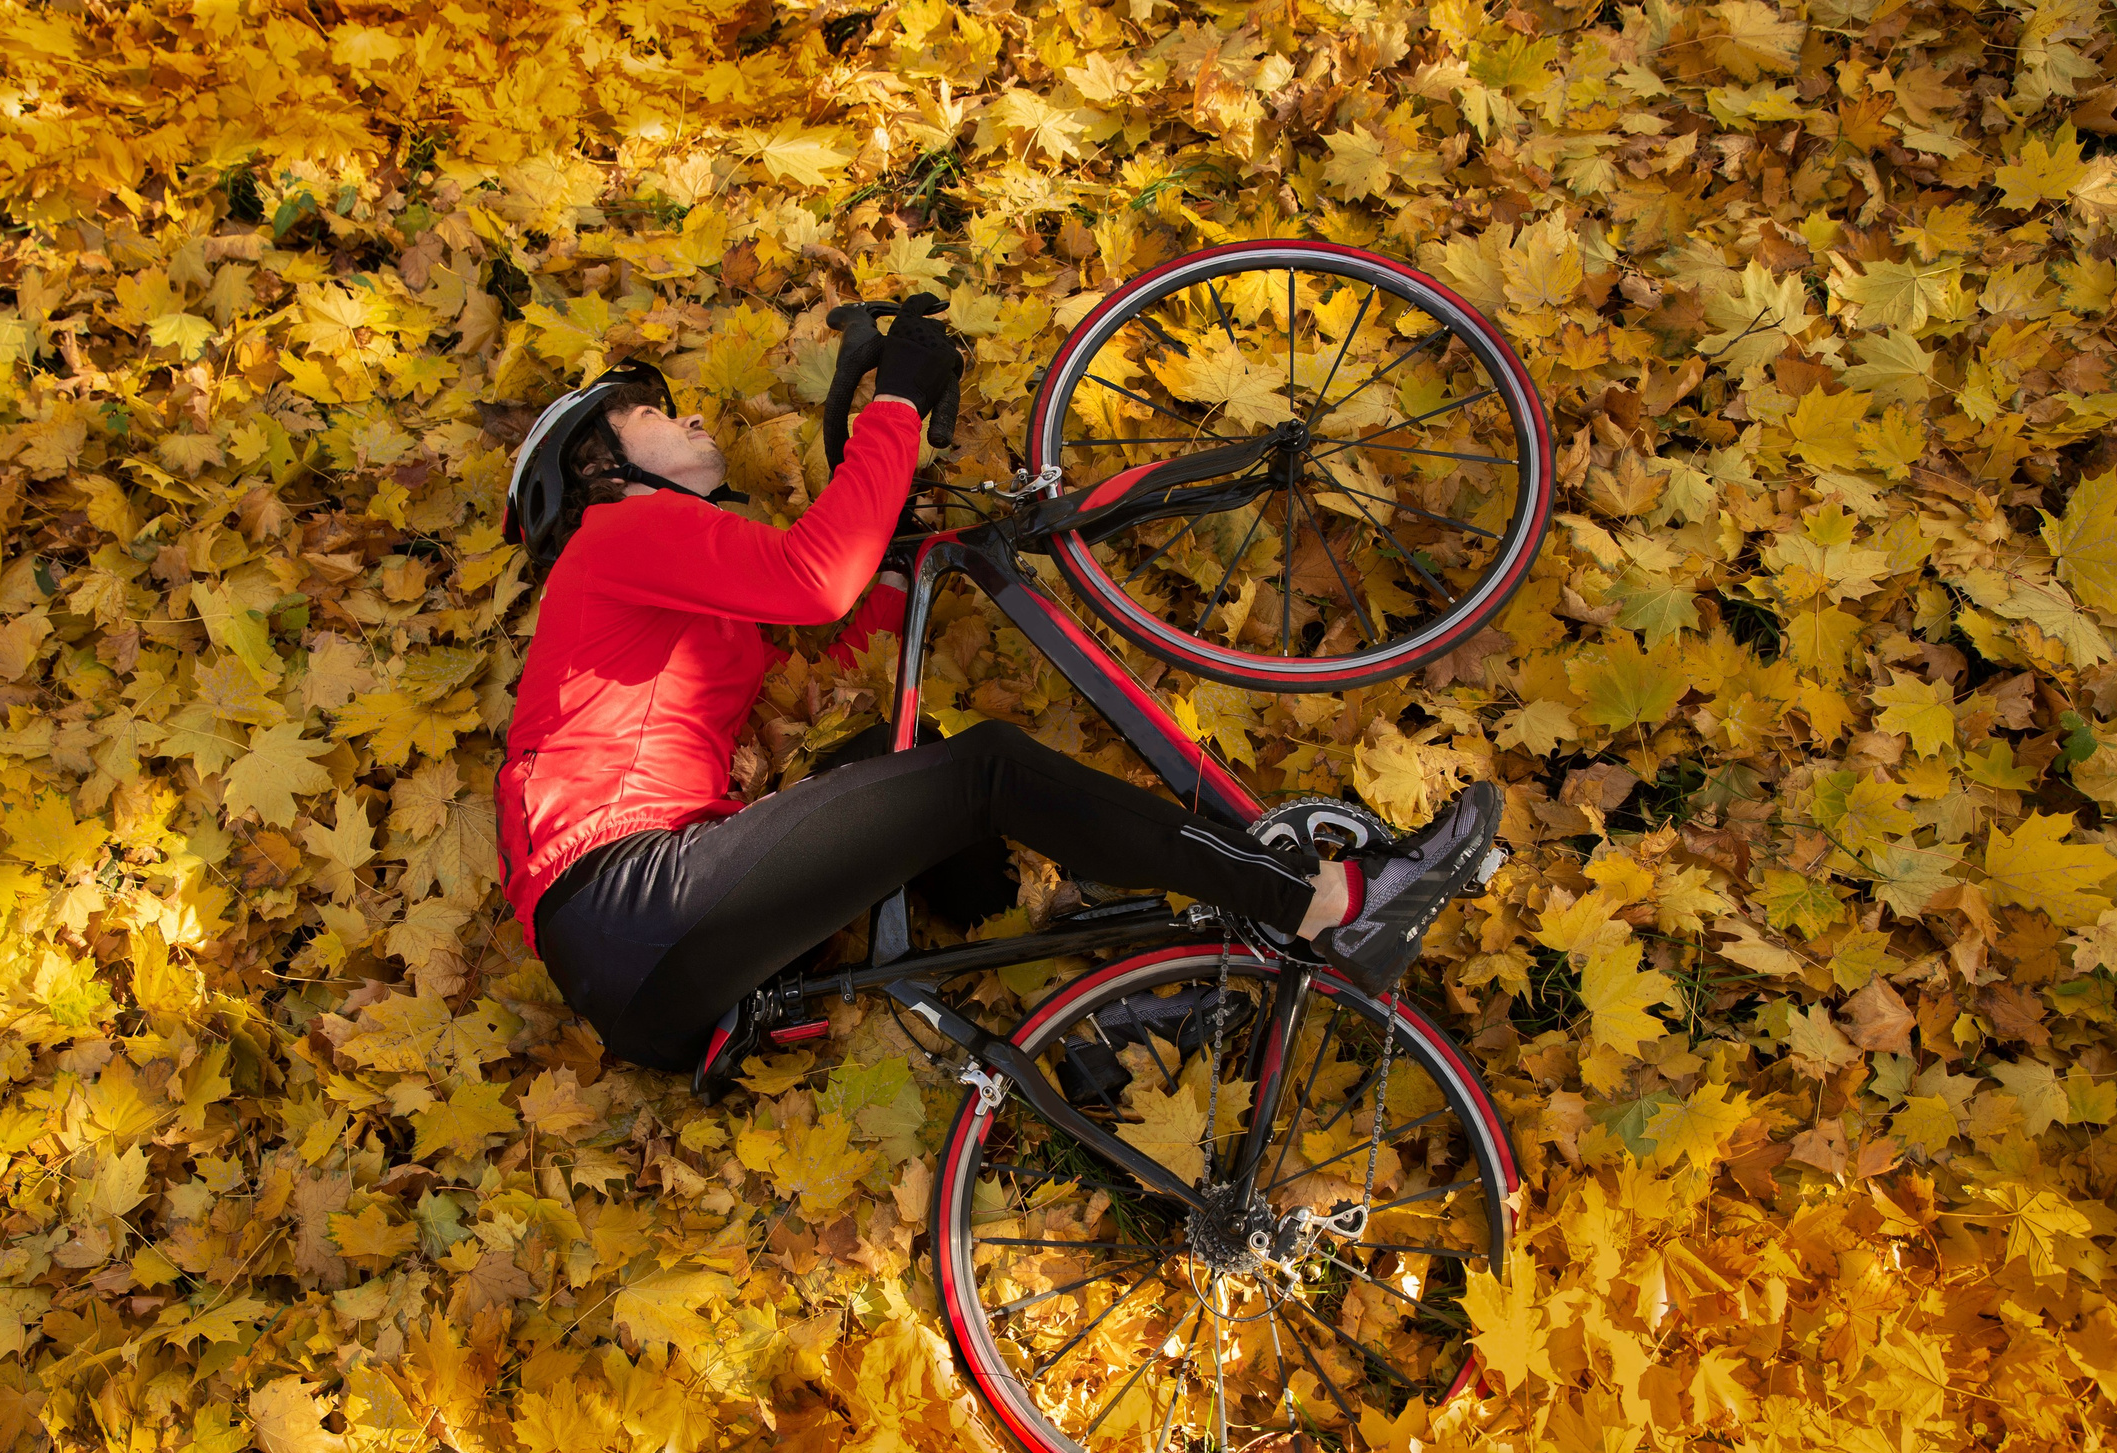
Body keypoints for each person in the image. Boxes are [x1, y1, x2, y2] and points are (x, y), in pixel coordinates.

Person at [495, 305, 1499, 1073]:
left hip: (653, 958)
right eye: (654, 415)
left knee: (912, 764)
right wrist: (894, 406)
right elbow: (815, 579)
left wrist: (895, 543)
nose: (693, 414)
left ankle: (1102, 1008)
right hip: (631, 906)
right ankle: (1318, 900)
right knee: (984, 774)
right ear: (600, 464)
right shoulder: (615, 530)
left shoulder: (673, 600)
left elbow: (851, 646)